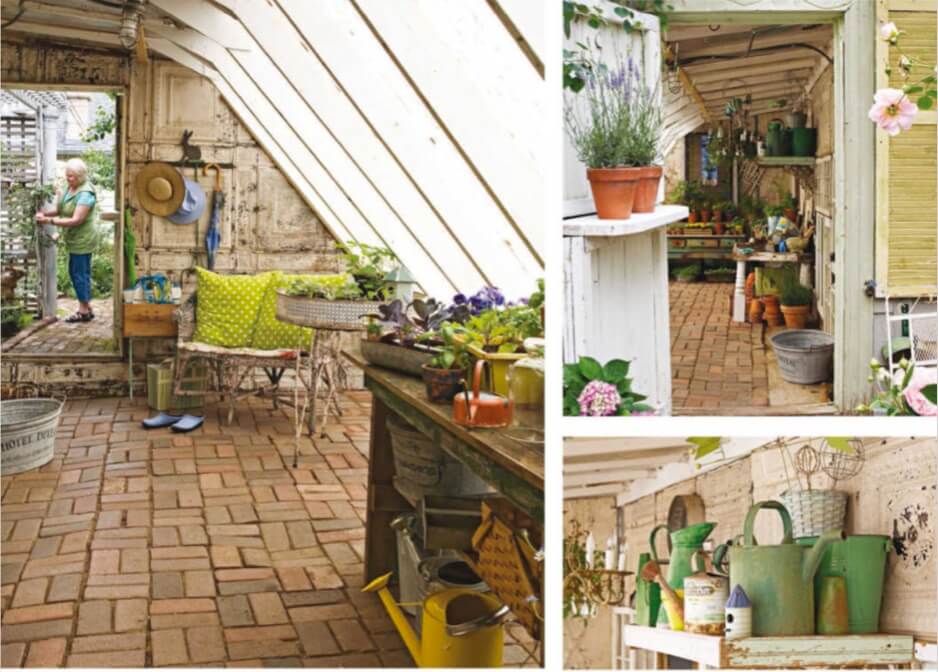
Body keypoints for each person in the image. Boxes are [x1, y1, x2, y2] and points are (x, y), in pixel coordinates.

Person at [36, 157, 100, 322]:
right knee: (78, 272)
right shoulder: (69, 188)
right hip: (73, 238)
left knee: (79, 273)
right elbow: (60, 210)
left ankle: (84, 311)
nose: (68, 178)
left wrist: (49, 221)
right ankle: (87, 307)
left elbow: (76, 220)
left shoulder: (85, 194)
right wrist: (45, 214)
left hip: (83, 239)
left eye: (71, 176)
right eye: (67, 175)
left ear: (81, 176)